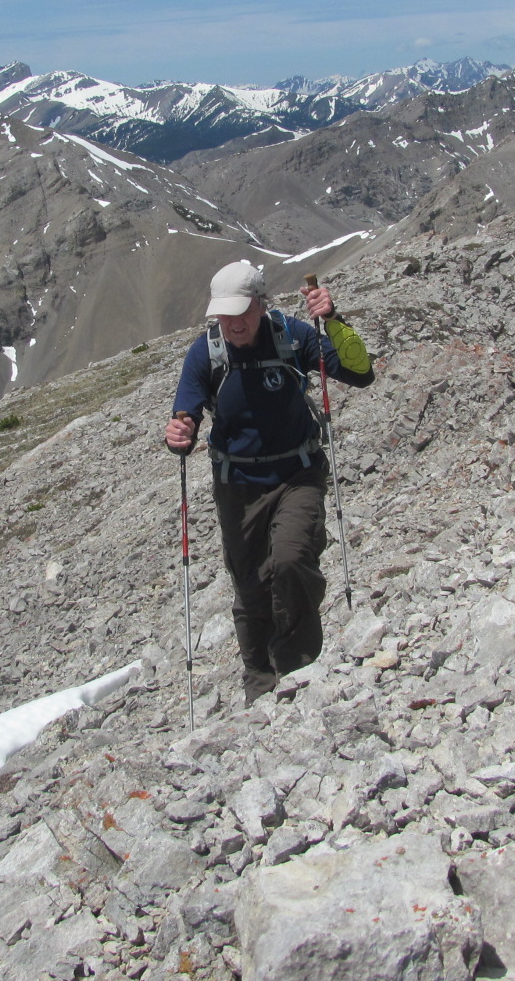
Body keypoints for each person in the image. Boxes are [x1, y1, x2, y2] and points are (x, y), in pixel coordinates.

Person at [165, 260, 374, 703]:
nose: (235, 323)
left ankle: (297, 669)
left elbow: (360, 373)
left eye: (243, 311)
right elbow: (186, 415)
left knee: (291, 559)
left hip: (298, 473)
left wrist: (333, 320)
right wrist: (179, 433)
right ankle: (259, 684)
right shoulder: (206, 352)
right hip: (237, 485)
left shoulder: (292, 336)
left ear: (261, 304)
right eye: (225, 314)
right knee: (251, 586)